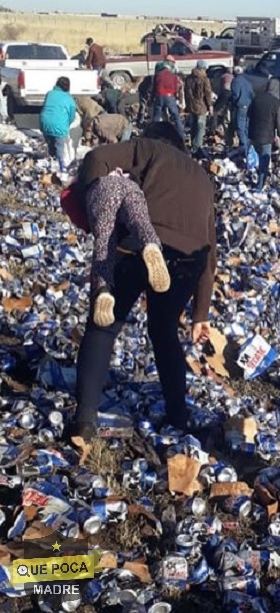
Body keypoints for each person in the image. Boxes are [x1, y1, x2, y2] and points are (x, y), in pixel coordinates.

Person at [72, 122, 216, 442]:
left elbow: (97, 156)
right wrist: (200, 314)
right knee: (164, 333)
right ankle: (178, 416)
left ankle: (84, 420)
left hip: (137, 244)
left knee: (104, 325)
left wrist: (90, 201)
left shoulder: (149, 148)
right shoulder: (204, 179)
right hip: (188, 260)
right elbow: (211, 252)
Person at [84, 170, 171, 328]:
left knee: (104, 244)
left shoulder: (83, 186)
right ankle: (150, 244)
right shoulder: (120, 165)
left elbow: (82, 219)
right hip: (130, 187)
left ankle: (103, 290)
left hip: (101, 193)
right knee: (139, 220)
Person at [248, 78, 280, 191]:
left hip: (253, 134)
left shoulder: (256, 98)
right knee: (264, 161)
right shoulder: (278, 103)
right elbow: (279, 123)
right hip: (266, 137)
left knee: (255, 158)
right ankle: (260, 184)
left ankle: (252, 176)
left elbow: (249, 114)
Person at [40, 77, 76, 172]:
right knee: (59, 150)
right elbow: (72, 116)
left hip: (45, 123)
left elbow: (46, 107)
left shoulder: (49, 94)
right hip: (59, 126)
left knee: (50, 147)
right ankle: (60, 171)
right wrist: (66, 124)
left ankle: (50, 168)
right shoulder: (69, 99)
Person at [152, 55, 186, 143]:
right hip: (169, 96)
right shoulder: (173, 76)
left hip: (159, 96)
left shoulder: (158, 75)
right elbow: (176, 88)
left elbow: (154, 87)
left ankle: (151, 135)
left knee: (156, 117)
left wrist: (152, 99)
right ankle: (181, 136)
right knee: (175, 116)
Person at [184, 59, 213, 154]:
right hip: (201, 107)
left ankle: (193, 143)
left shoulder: (189, 78)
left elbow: (185, 92)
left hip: (191, 105)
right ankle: (197, 147)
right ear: (203, 69)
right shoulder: (204, 79)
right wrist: (210, 106)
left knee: (193, 126)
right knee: (200, 127)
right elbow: (208, 93)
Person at [230, 66, 254, 156]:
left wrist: (233, 103)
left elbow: (235, 95)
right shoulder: (247, 82)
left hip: (240, 106)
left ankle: (243, 145)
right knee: (247, 126)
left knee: (240, 126)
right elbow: (252, 94)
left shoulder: (235, 81)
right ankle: (248, 144)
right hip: (249, 105)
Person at [210, 67, 234, 133]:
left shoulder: (223, 76)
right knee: (228, 110)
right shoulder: (233, 77)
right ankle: (227, 127)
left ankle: (213, 128)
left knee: (215, 110)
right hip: (231, 93)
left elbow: (221, 87)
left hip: (224, 93)